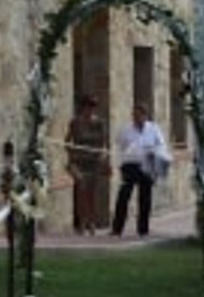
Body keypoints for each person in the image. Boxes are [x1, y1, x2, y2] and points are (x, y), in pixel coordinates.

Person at [111, 103, 165, 238]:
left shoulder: (154, 129)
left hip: (147, 166)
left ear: (145, 116)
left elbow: (160, 145)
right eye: (134, 115)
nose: (136, 118)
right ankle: (117, 229)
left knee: (145, 198)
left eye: (139, 115)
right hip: (130, 165)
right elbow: (120, 145)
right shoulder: (126, 130)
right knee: (124, 196)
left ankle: (143, 229)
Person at [65, 95, 109, 235]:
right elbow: (67, 140)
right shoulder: (75, 123)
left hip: (94, 162)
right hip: (79, 162)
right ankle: (82, 222)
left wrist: (103, 156)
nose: (90, 110)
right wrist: (71, 154)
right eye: (88, 107)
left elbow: (104, 143)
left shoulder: (99, 123)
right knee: (81, 189)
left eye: (93, 107)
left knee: (92, 193)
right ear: (83, 107)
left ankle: (91, 222)